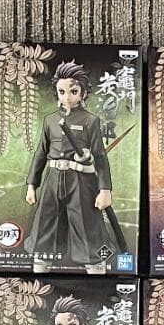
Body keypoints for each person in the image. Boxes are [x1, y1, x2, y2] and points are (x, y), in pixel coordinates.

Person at [24, 61, 116, 274]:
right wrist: (32, 185)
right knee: (46, 221)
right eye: (62, 91)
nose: (67, 97)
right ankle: (41, 265)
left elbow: (100, 157)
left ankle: (95, 267)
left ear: (83, 92)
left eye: (73, 91)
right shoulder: (50, 120)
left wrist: (105, 190)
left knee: (86, 223)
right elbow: (41, 153)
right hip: (53, 178)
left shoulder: (90, 121)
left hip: (81, 180)